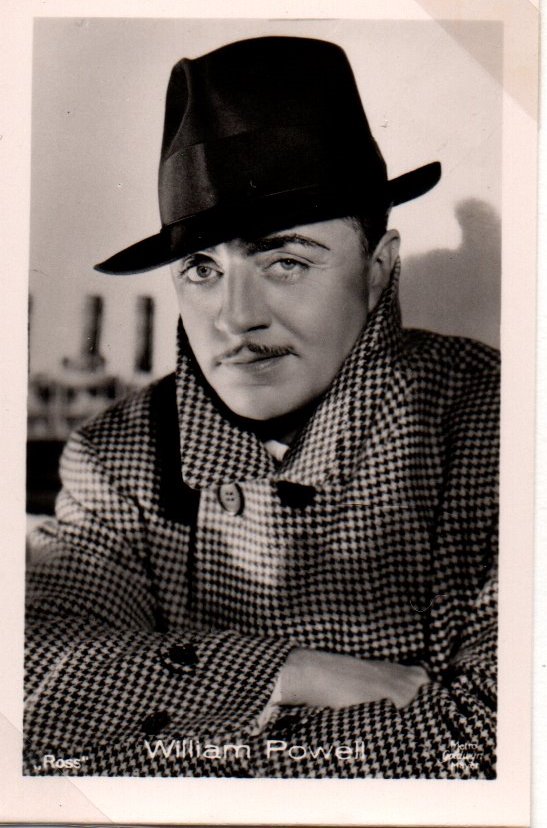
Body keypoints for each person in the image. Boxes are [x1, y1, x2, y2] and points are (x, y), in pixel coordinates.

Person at [24, 35, 499, 779]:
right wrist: (285, 670)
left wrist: (159, 747)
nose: (234, 318)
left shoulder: (497, 425)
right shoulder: (120, 456)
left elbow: (496, 745)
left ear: (377, 270)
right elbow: (27, 691)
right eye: (202, 269)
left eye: (285, 261)